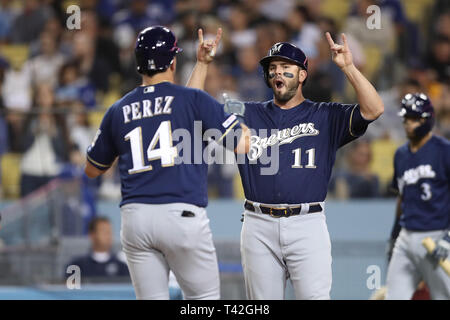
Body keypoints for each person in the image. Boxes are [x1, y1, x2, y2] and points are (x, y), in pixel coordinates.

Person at [190, 32, 384, 299]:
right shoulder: (247, 112)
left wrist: (348, 67)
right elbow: (191, 108)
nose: (277, 72)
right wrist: (201, 64)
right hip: (257, 223)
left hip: (308, 223)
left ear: (302, 74)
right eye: (272, 68)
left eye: (285, 67)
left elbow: (374, 109)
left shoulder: (325, 114)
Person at [84, 26, 250, 300]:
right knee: (203, 302)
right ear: (173, 61)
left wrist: (202, 64)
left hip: (135, 218)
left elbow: (92, 169)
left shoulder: (117, 109)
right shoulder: (192, 100)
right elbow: (240, 144)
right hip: (181, 215)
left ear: (137, 63)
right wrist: (248, 127)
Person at [385, 93, 450, 300]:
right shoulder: (401, 155)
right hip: (407, 235)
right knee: (395, 296)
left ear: (426, 119)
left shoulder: (444, 151)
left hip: (436, 236)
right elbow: (402, 198)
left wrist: (449, 237)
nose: (408, 124)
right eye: (406, 119)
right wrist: (394, 235)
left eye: (414, 119)